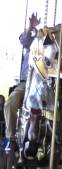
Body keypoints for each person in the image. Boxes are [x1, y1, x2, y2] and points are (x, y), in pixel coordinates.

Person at [4, 13, 40, 150]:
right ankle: (11, 136)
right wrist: (30, 27)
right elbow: (24, 40)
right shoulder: (30, 44)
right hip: (26, 82)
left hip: (43, 84)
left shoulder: (48, 49)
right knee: (10, 103)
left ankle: (56, 136)